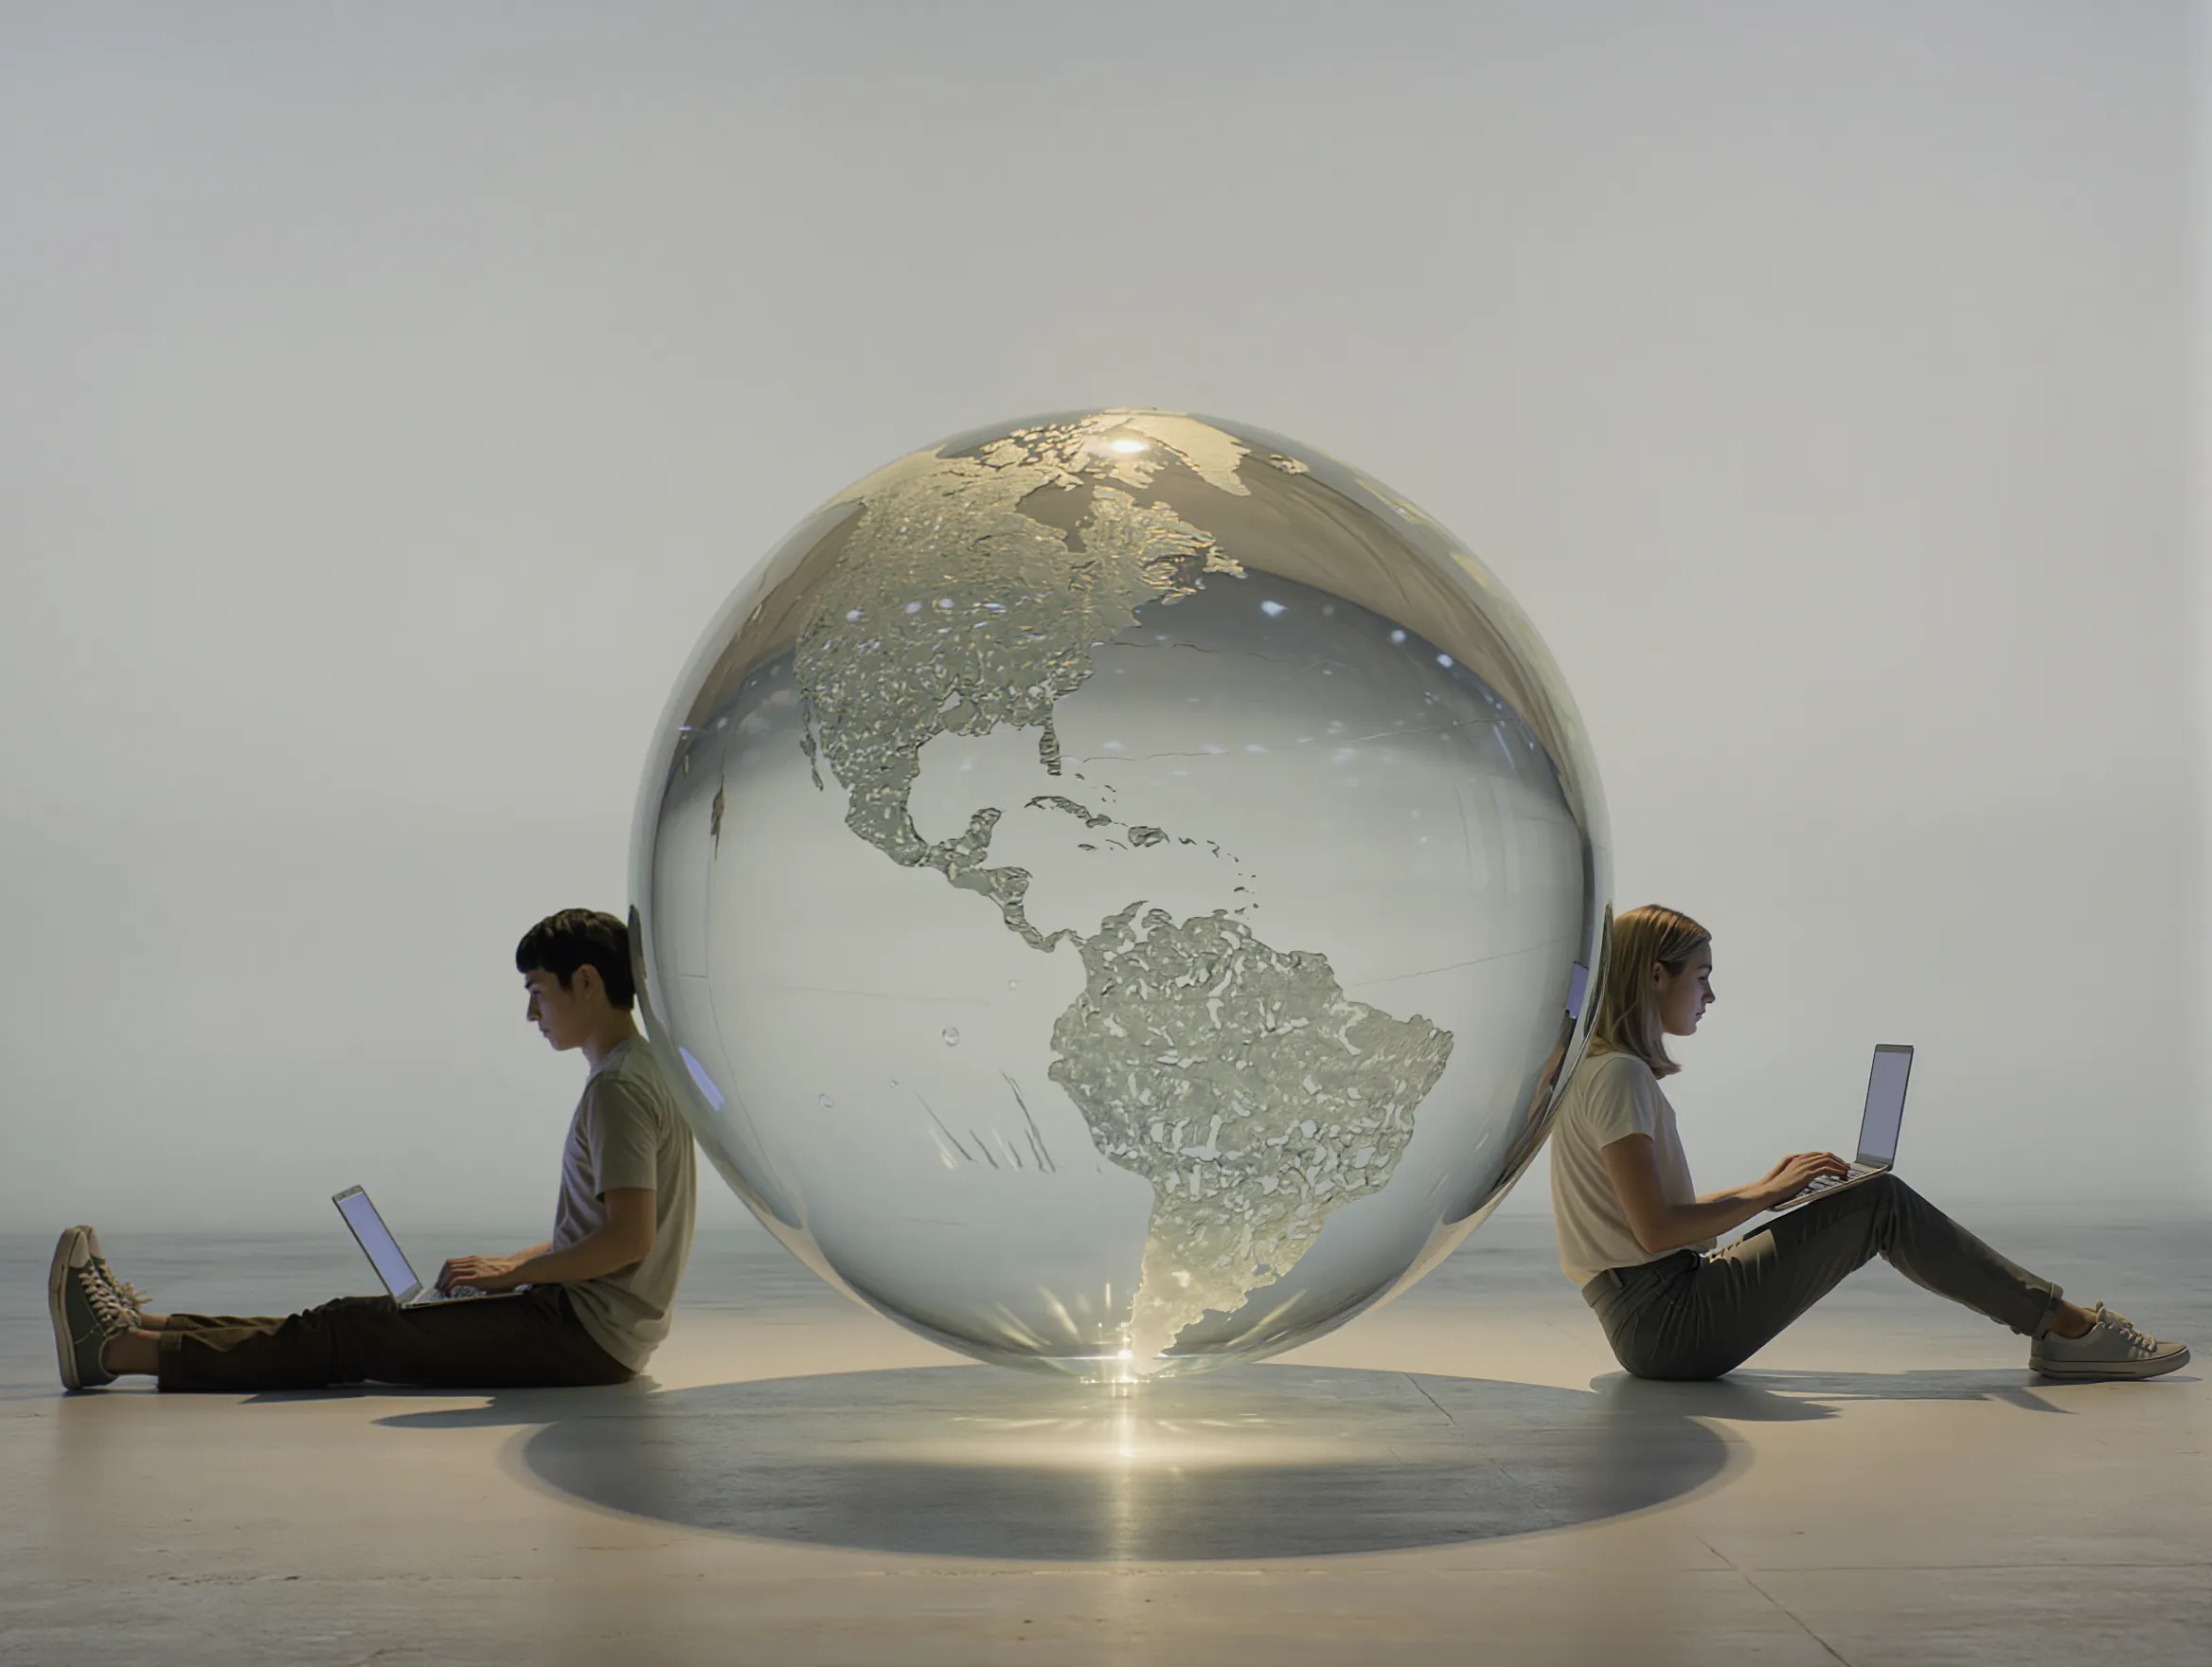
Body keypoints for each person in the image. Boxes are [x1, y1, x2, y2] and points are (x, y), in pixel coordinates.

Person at [49, 908, 698, 1393]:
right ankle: (150, 1328)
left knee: (350, 1331)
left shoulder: (618, 1089)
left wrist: (513, 1275)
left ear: (585, 982)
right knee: (339, 1322)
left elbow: (629, 1240)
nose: (533, 1014)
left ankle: (114, 1353)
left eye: (537, 990)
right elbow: (601, 1233)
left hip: (584, 1337)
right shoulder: (637, 1072)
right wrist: (510, 1262)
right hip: (586, 1325)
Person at [1549, 905, 2189, 1382]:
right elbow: (1657, 1230)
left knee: (1869, 1199)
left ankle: (2058, 1325)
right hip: (1667, 1325)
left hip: (1655, 1313)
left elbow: (1646, 1220)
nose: (1711, 994)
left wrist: (1763, 1193)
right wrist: (1767, 1193)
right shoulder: (1620, 1076)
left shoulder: (1602, 1070)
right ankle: (2065, 1329)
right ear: (1657, 976)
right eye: (1701, 976)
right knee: (1880, 1202)